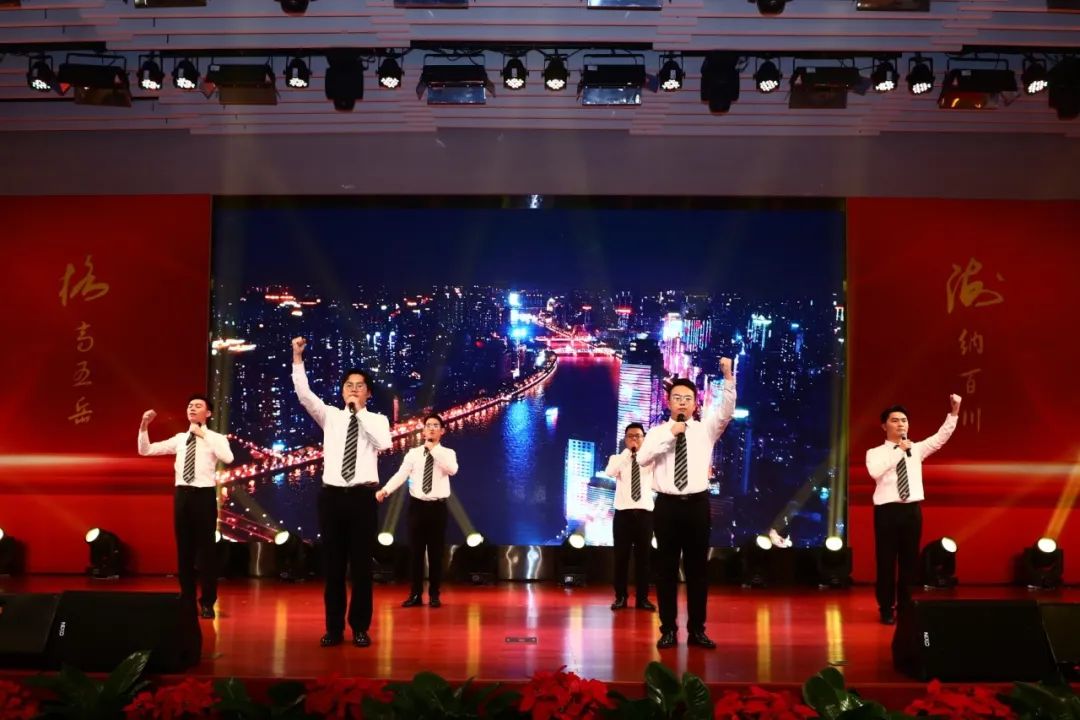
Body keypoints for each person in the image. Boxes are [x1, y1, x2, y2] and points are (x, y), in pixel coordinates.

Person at [292, 336, 391, 647]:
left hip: (362, 498)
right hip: (332, 498)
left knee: (361, 568)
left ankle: (360, 627)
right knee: (333, 568)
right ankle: (333, 629)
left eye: (360, 386)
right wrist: (298, 358)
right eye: (349, 385)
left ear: (368, 393)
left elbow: (383, 443)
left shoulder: (377, 419)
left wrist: (358, 413)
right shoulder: (330, 416)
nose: (353, 389)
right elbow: (304, 395)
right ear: (341, 390)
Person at [637, 358, 736, 650]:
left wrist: (728, 376)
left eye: (688, 398)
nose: (682, 402)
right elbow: (642, 459)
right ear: (668, 401)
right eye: (677, 397)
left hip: (696, 507)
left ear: (695, 404)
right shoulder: (658, 432)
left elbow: (726, 411)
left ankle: (697, 630)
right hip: (667, 507)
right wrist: (671, 435)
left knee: (697, 571)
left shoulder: (705, 429)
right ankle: (668, 629)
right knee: (665, 571)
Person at [866, 393, 962, 625]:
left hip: (911, 512)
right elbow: (875, 472)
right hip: (887, 512)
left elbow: (941, 437)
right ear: (884, 426)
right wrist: (899, 450)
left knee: (909, 563)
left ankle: (906, 606)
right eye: (895, 420)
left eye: (904, 420)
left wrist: (954, 412)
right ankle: (886, 608)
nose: (901, 424)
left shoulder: (917, 449)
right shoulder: (875, 452)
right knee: (886, 563)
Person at [138, 395, 233, 619]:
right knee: (184, 551)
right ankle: (187, 599)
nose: (192, 408)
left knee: (206, 553)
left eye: (198, 406)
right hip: (182, 496)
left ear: (208, 413)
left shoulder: (216, 438)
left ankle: (207, 602)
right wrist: (144, 426)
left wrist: (204, 435)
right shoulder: (180, 439)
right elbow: (146, 450)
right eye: (190, 405)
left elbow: (227, 458)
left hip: (204, 496)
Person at [376, 413, 458, 608]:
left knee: (436, 554)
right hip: (417, 508)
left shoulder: (448, 453)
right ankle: (415, 594)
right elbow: (401, 475)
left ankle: (435, 594)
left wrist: (433, 451)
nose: (431, 428)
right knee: (416, 553)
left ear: (442, 431)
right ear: (423, 431)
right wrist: (385, 490)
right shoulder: (413, 454)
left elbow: (452, 470)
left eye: (435, 425)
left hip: (437, 508)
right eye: (428, 425)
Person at [604, 422, 656, 612]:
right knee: (621, 558)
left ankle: (642, 598)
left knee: (644, 559)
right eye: (630, 436)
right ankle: (620, 597)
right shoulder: (617, 458)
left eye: (638, 436)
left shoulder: (651, 460)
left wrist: (640, 455)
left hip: (645, 515)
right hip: (623, 515)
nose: (634, 439)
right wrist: (628, 454)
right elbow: (610, 472)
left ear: (644, 438)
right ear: (625, 439)